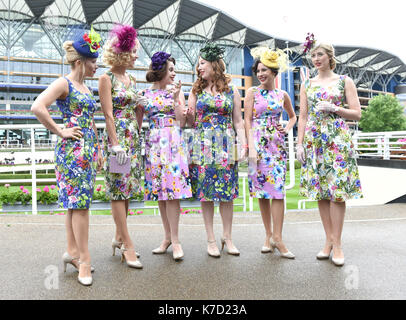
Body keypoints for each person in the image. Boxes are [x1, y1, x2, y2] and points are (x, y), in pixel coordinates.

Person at [31, 27, 103, 286]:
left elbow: (91, 121)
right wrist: (60, 130)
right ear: (81, 62)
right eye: (94, 62)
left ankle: (72, 252)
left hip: (86, 151)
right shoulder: (65, 83)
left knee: (76, 205)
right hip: (72, 153)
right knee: (80, 206)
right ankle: (84, 259)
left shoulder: (85, 87)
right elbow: (37, 106)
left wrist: (98, 150)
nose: (97, 66)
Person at [296, 41, 363, 266]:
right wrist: (299, 144)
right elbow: (303, 116)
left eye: (320, 54)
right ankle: (328, 241)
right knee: (322, 192)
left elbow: (357, 114)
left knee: (337, 192)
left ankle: (338, 244)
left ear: (329, 57)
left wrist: (335, 108)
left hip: (337, 138)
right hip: (315, 140)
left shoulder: (345, 81)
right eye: (313, 55)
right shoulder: (307, 84)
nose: (316, 58)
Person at [187, 43, 247, 257]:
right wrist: (186, 111)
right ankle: (211, 239)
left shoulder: (232, 91)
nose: (199, 67)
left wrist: (244, 145)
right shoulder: (195, 90)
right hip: (202, 144)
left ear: (214, 65)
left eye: (202, 63)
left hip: (226, 144)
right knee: (207, 194)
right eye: (198, 64)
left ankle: (227, 238)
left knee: (227, 194)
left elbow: (238, 122)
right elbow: (190, 122)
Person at [99, 24, 147, 269]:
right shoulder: (105, 78)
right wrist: (115, 145)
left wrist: (141, 107)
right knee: (118, 189)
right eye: (135, 51)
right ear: (123, 52)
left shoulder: (132, 78)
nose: (137, 56)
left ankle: (118, 237)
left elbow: (137, 117)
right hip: (117, 139)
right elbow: (108, 115)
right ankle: (128, 245)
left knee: (127, 189)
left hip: (132, 137)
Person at [244, 47, 297, 259]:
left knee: (278, 192)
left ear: (274, 72)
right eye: (258, 70)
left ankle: (278, 237)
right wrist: (251, 147)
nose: (260, 74)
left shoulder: (282, 94)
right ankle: (268, 236)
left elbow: (293, 116)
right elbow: (247, 120)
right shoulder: (252, 93)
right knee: (262, 192)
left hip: (276, 147)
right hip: (256, 145)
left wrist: (288, 127)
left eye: (265, 69)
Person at [143, 51, 192, 261]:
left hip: (172, 141)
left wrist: (175, 99)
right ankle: (167, 238)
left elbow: (182, 122)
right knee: (160, 194)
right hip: (154, 143)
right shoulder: (145, 94)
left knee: (173, 193)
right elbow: (139, 123)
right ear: (162, 69)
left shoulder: (177, 91)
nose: (174, 73)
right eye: (171, 69)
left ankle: (177, 240)